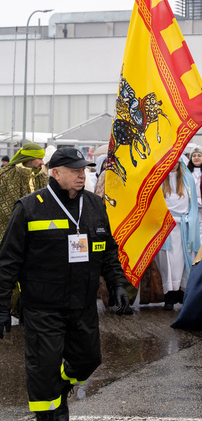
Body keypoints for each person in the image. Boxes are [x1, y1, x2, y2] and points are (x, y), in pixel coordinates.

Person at [0, 147, 131, 420]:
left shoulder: (94, 205)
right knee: (43, 368)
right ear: (55, 173)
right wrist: (2, 305)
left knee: (89, 359)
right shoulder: (29, 207)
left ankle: (60, 387)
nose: (81, 176)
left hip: (82, 304)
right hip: (42, 307)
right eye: (75, 171)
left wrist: (118, 284)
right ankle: (50, 414)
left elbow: (108, 251)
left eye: (83, 170)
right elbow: (8, 262)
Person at [157, 160, 200, 311]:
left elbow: (193, 203)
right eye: (170, 162)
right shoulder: (160, 180)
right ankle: (169, 297)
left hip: (184, 226)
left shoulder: (188, 179)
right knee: (168, 263)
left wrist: (190, 219)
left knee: (184, 261)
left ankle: (182, 295)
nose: (173, 164)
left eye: (176, 161)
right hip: (167, 228)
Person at [0, 142, 49, 241]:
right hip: (9, 234)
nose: (42, 163)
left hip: (38, 236)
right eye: (39, 159)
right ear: (28, 159)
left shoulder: (43, 177)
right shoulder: (6, 176)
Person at [186, 146, 202, 244]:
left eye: (199, 155)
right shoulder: (186, 172)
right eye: (194, 156)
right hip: (191, 205)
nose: (196, 158)